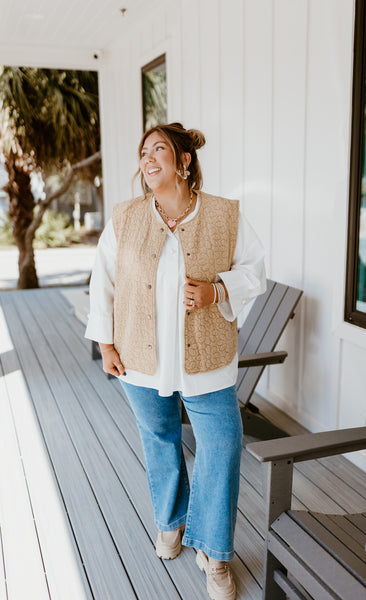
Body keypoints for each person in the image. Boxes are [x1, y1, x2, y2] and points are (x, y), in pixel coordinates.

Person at [85, 122, 266, 600]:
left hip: (207, 359)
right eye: (143, 152)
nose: (147, 159)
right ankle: (171, 522)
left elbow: (255, 271)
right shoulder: (125, 218)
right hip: (139, 359)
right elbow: (102, 281)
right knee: (159, 437)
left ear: (184, 161)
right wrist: (105, 344)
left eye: (159, 149)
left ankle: (215, 553)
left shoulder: (225, 215)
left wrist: (217, 290)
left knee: (222, 444)